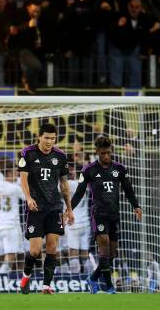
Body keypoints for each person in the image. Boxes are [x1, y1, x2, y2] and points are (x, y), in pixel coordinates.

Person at [71, 136, 142, 294]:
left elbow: (128, 190)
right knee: (103, 249)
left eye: (109, 153)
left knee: (112, 254)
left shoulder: (120, 169)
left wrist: (136, 205)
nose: (106, 156)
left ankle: (93, 278)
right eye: (103, 153)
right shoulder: (89, 170)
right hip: (99, 215)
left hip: (114, 215)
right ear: (97, 152)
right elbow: (79, 193)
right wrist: (69, 209)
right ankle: (109, 287)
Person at [18, 123, 74, 295]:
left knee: (51, 247)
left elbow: (63, 184)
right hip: (36, 208)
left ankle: (46, 286)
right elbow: (24, 179)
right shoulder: (28, 153)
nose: (49, 141)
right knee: (34, 251)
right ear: (39, 137)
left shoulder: (61, 156)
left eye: (52, 138)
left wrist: (69, 208)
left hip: (54, 208)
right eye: (46, 137)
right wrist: (28, 198)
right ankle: (25, 278)